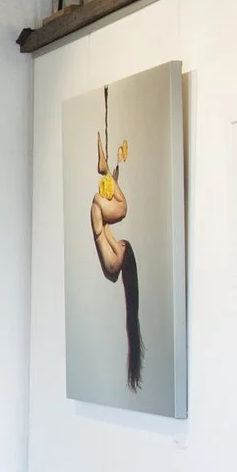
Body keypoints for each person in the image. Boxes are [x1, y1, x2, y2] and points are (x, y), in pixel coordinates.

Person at [89, 115, 144, 391]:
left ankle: (105, 168)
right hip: (98, 220)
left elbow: (109, 233)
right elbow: (107, 232)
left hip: (99, 218)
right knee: (119, 207)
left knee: (123, 207)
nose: (122, 243)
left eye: (124, 245)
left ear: (127, 257)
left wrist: (111, 186)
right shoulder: (115, 264)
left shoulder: (118, 259)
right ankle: (106, 168)